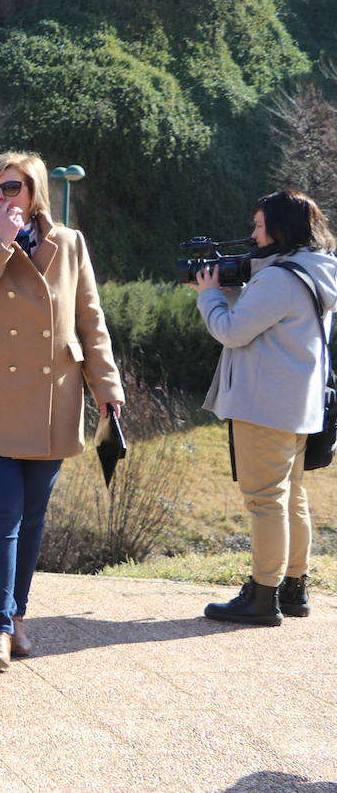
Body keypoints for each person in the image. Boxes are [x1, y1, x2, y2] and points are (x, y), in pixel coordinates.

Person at [0, 152, 123, 668]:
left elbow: (90, 318)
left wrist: (108, 387)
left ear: (35, 191)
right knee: (1, 512)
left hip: (52, 398)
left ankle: (17, 616)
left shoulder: (71, 245)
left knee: (33, 516)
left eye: (11, 187)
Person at [189, 189, 336, 626]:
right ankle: (293, 589)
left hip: (264, 404)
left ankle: (262, 596)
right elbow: (270, 324)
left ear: (279, 228)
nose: (252, 233)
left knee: (266, 500)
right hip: (299, 403)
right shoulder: (319, 269)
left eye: (258, 224)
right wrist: (238, 290)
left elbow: (232, 332)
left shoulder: (277, 279)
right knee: (292, 497)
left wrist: (210, 295)